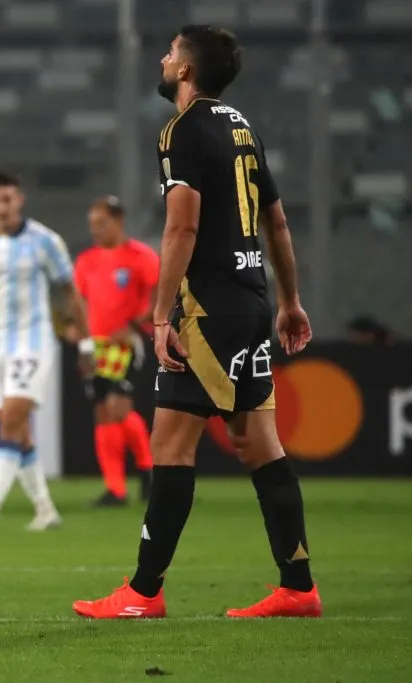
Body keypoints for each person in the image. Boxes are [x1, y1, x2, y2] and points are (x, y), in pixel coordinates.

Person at [72, 25, 320, 619]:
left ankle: (143, 592)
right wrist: (289, 301)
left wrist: (161, 316)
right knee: (258, 443)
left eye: (170, 53)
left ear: (185, 70)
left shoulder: (181, 130)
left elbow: (181, 226)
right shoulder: (242, 127)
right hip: (251, 300)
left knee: (170, 446)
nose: (162, 59)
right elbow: (277, 223)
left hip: (208, 310)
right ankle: (298, 587)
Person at [0, 171, 93, 531]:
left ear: (19, 200)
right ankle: (45, 509)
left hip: (33, 342)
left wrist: (86, 343)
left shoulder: (45, 241)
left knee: (10, 420)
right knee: (17, 430)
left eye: (8, 199)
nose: (2, 207)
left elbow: (69, 293)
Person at [73, 197, 158, 506]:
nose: (95, 230)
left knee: (118, 408)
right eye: (92, 224)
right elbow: (79, 303)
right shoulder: (86, 260)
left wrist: (134, 325)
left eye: (101, 223)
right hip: (96, 346)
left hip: (127, 344)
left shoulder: (140, 256)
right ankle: (116, 489)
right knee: (102, 412)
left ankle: (148, 470)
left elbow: (161, 297)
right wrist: (81, 340)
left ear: (119, 221)